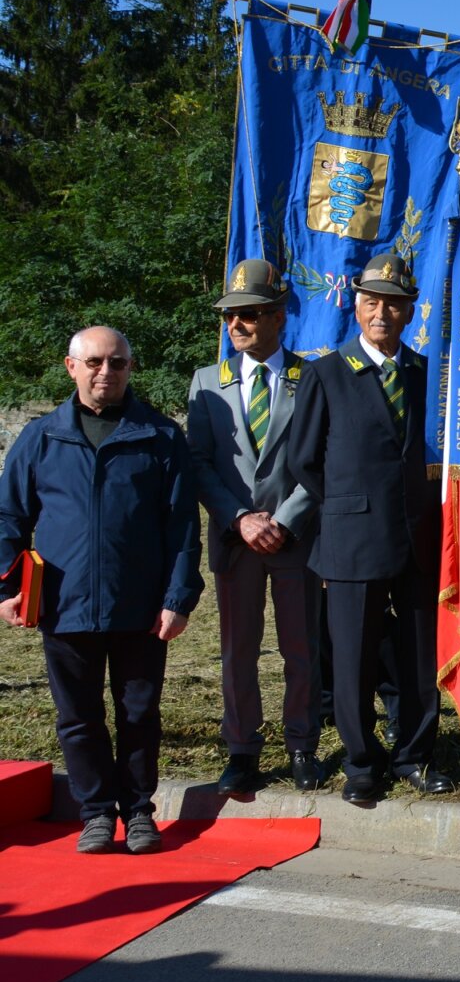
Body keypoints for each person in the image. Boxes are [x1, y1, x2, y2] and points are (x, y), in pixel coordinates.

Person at [0, 327, 202, 854]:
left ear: (131, 368)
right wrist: (5, 587)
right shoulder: (41, 437)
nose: (104, 372)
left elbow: (182, 527)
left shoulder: (159, 436)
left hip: (139, 608)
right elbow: (8, 518)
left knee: (139, 715)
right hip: (62, 606)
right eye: (93, 362)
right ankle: (94, 814)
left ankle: (138, 812)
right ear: (71, 367)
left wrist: (178, 599)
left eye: (116, 363)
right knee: (78, 717)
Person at [287, 252, 452, 807]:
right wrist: (345, 510)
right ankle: (361, 763)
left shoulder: (428, 375)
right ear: (356, 307)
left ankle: (413, 754)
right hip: (352, 539)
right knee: (353, 657)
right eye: (372, 302)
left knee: (417, 656)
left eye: (394, 304)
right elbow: (303, 461)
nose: (382, 312)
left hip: (419, 537)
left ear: (410, 311)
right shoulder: (325, 373)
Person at [187, 259, 323, 796]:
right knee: (237, 650)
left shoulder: (309, 377)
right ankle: (242, 749)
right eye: (230, 317)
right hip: (235, 541)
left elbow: (319, 461)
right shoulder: (207, 383)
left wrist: (284, 519)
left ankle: (301, 744)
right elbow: (198, 463)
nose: (236, 325)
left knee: (301, 647)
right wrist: (241, 519)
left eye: (249, 315)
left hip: (295, 539)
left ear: (278, 317)